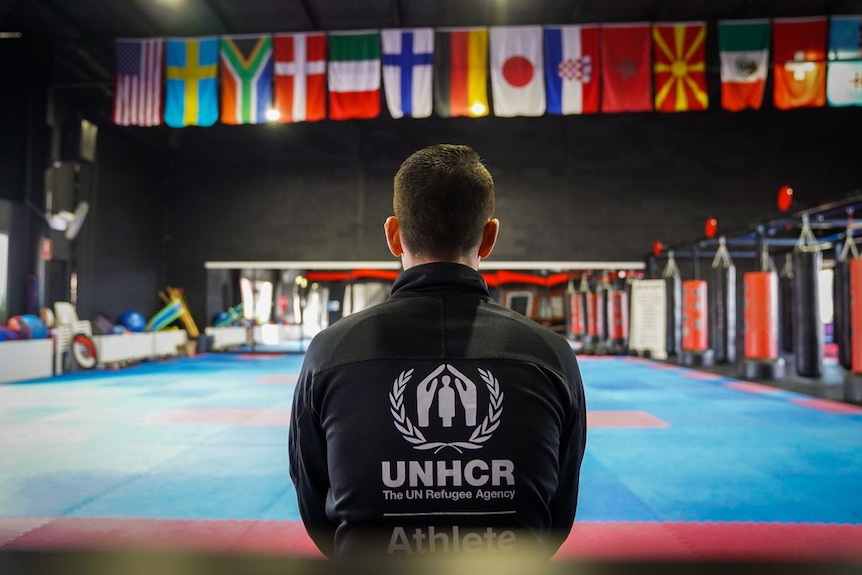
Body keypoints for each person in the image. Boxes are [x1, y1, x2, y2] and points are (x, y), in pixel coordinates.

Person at [289, 144, 587, 558]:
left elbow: (317, 511)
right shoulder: (551, 354)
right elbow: (557, 516)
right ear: (489, 237)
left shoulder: (330, 352)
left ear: (393, 235)